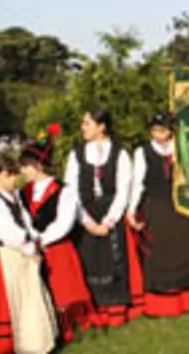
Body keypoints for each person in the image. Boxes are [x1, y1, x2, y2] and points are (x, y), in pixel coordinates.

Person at [64, 108, 143, 327]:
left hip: (111, 215)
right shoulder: (76, 154)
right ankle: (91, 312)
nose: (83, 128)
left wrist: (108, 221)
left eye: (87, 123)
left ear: (102, 126)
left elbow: (123, 189)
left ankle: (115, 309)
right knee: (88, 260)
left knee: (113, 261)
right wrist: (86, 221)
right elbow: (70, 190)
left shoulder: (119, 153)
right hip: (84, 214)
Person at [18, 123, 94, 345]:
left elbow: (64, 222)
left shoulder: (64, 190)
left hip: (57, 248)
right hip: (34, 247)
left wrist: (43, 239)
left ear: (38, 165)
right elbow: (23, 217)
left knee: (62, 289)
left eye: (26, 166)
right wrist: (31, 238)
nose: (23, 172)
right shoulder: (24, 192)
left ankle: (69, 329)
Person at [128, 112, 189, 317]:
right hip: (155, 205)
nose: (157, 135)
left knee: (184, 246)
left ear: (170, 130)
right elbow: (137, 183)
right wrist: (131, 210)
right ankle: (162, 302)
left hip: (180, 205)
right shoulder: (142, 152)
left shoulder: (181, 147)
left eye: (162, 130)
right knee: (160, 251)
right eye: (154, 130)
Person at [0, 152, 58, 354]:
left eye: (15, 174)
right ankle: (23, 344)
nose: (14, 179)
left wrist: (35, 238)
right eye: (9, 175)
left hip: (24, 254)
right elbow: (7, 232)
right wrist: (29, 247)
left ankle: (38, 344)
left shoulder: (13, 195)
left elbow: (25, 221)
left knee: (33, 297)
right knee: (18, 301)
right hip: (7, 256)